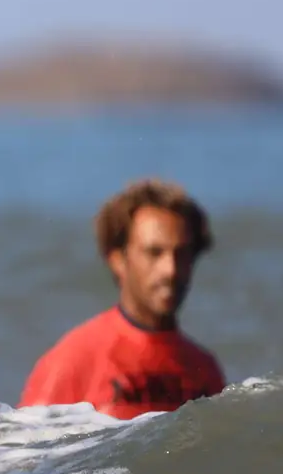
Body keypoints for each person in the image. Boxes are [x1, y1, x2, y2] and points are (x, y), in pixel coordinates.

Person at [20, 178, 226, 420]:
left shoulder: (205, 370)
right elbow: (24, 453)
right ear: (117, 259)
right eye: (154, 252)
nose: (171, 269)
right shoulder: (71, 362)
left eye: (182, 254)